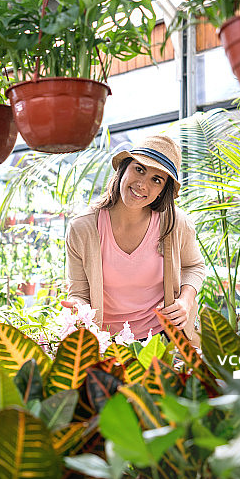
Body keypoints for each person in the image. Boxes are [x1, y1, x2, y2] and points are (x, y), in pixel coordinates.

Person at [64, 135, 206, 345]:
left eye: (156, 180)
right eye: (139, 169)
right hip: (105, 342)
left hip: (162, 338)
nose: (142, 184)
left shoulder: (176, 224)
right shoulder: (82, 228)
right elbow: (79, 292)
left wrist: (185, 300)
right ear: (124, 168)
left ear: (161, 191)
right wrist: (77, 308)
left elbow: (194, 266)